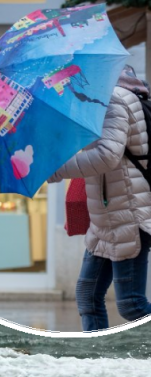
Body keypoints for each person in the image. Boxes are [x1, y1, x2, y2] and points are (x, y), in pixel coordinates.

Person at [49, 65, 151, 331]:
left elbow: (107, 156)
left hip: (127, 211)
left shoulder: (113, 98)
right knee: (88, 295)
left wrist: (56, 169)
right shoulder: (118, 96)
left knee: (131, 304)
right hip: (109, 211)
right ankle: (96, 357)